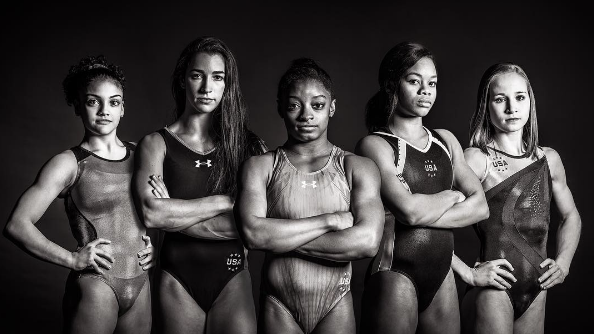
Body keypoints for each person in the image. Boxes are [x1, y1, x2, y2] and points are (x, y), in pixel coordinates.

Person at [4, 55, 155, 334]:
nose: (104, 110)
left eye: (114, 102)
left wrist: (153, 245)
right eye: (92, 101)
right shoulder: (68, 163)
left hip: (141, 283)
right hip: (96, 286)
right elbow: (17, 225)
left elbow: (157, 212)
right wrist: (72, 259)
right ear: (77, 106)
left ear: (123, 108)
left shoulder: (142, 154)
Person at [234, 58, 384, 334]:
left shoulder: (357, 167)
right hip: (279, 305)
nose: (306, 115)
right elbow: (254, 235)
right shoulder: (261, 166)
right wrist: (329, 220)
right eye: (294, 106)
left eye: (317, 105)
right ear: (280, 108)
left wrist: (279, 237)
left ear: (332, 108)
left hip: (335, 304)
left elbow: (367, 242)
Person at [354, 42, 490, 334]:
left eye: (432, 83)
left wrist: (423, 208)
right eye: (414, 81)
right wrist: (453, 195)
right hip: (396, 272)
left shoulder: (445, 140)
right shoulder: (375, 145)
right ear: (392, 85)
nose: (425, 90)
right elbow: (409, 212)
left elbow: (481, 207)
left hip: (442, 275)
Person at [133, 36, 265, 334]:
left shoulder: (247, 146)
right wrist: (224, 202)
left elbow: (255, 228)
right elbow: (153, 215)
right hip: (177, 276)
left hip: (232, 275)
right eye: (197, 76)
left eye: (217, 77)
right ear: (182, 80)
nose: (207, 88)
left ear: (226, 84)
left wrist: (174, 214)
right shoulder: (156, 144)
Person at [451, 63, 582, 334]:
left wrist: (564, 264)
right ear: (486, 106)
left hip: (536, 291)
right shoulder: (478, 159)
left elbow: (571, 217)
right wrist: (467, 272)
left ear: (530, 102)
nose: (512, 108)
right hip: (494, 291)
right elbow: (424, 219)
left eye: (520, 98)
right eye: (500, 99)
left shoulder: (549, 159)